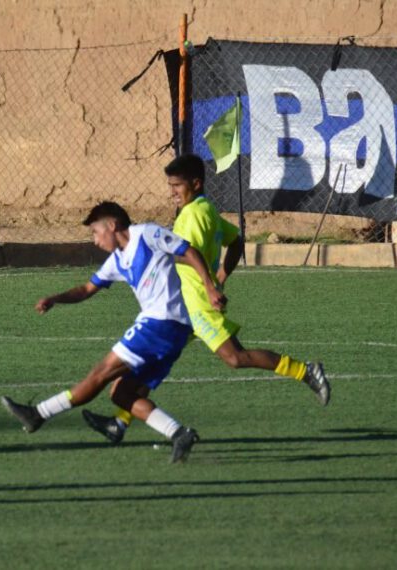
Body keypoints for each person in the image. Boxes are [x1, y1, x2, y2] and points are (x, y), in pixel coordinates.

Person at [82, 154, 330, 444]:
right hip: (181, 306)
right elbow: (235, 239)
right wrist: (220, 275)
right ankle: (120, 422)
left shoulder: (192, 216)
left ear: (196, 183)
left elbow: (188, 253)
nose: (172, 192)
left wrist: (209, 285)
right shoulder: (206, 209)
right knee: (152, 364)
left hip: (194, 304)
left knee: (236, 358)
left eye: (177, 186)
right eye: (170, 185)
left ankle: (306, 371)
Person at [0, 201, 226, 463]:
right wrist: (55, 298)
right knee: (121, 394)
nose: (95, 240)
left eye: (96, 232)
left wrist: (210, 287)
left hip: (159, 323)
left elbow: (189, 251)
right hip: (173, 332)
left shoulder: (147, 233)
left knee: (99, 374)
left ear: (112, 225)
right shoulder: (117, 260)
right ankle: (179, 433)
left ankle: (38, 414)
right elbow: (86, 290)